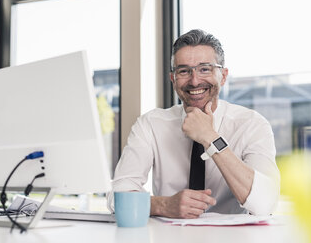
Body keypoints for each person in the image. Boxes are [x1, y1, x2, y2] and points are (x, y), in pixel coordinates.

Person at [108, 29, 280, 218]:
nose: (195, 80)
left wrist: (210, 138)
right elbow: (116, 197)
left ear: (223, 76)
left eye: (205, 69)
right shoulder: (150, 124)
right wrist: (163, 205)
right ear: (173, 79)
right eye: (184, 71)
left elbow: (265, 203)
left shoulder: (252, 125)